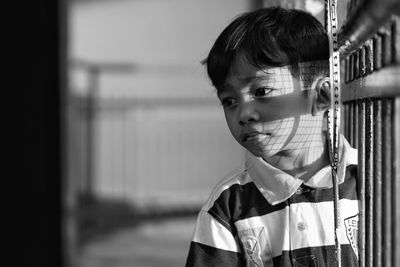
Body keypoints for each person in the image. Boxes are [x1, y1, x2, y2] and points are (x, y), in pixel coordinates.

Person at [185, 6, 359, 267]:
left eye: (262, 91)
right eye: (229, 100)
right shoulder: (227, 207)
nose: (243, 113)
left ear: (322, 96)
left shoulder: (369, 182)